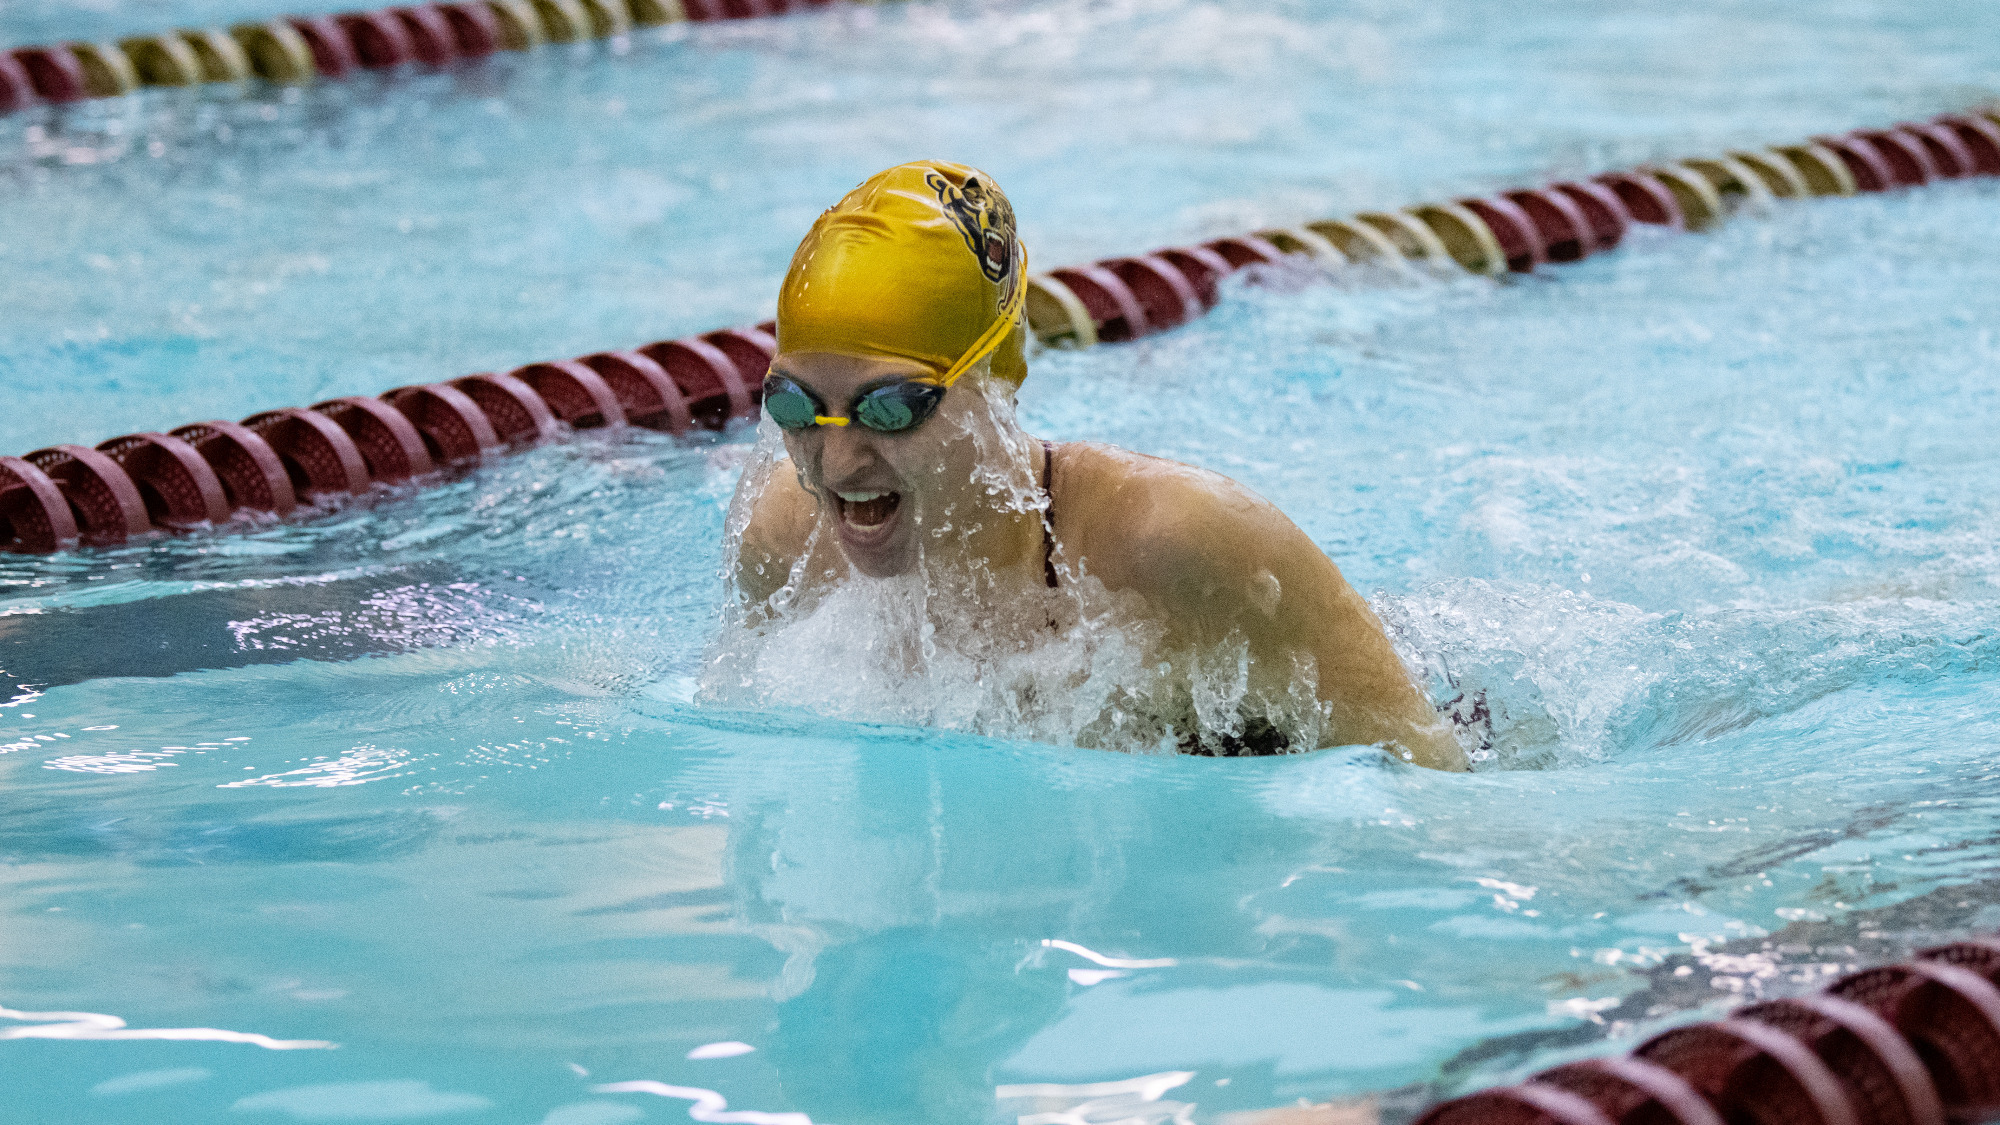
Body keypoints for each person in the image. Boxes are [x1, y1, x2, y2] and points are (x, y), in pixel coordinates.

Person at [719, 159, 1467, 771]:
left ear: (993, 383)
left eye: (889, 408)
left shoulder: (1175, 543)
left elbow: (1429, 772)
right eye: (795, 407)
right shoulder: (785, 544)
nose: (837, 461)